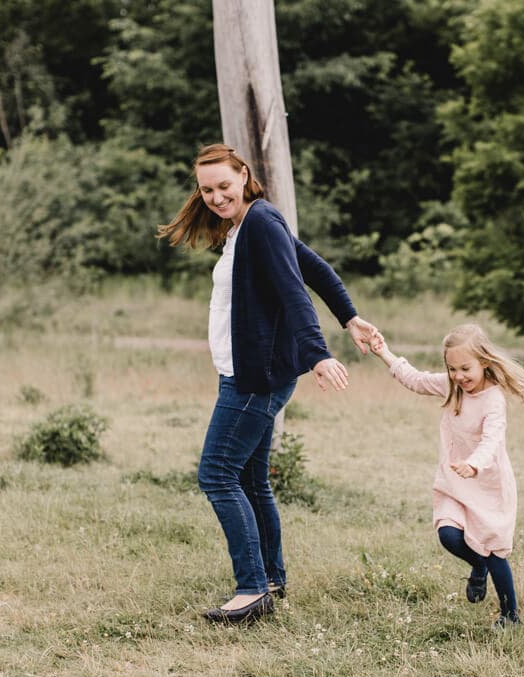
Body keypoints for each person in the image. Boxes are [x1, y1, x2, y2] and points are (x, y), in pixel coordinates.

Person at [157, 143, 378, 625]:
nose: (215, 197)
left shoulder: (260, 221)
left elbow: (294, 289)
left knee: (216, 474)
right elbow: (314, 266)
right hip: (244, 373)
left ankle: (252, 588)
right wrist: (351, 317)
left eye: (223, 186)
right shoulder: (248, 225)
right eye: (206, 189)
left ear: (244, 175)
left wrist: (319, 352)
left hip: (253, 378)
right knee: (251, 479)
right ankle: (271, 579)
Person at [369, 324, 524, 628]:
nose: (458, 376)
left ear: (484, 362)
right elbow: (416, 380)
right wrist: (385, 353)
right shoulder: (452, 386)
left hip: (487, 483)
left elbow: (491, 441)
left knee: (494, 549)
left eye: (465, 368)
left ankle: (510, 615)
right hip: (455, 481)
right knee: (448, 535)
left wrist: (474, 464)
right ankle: (477, 567)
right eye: (451, 369)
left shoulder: (494, 400)